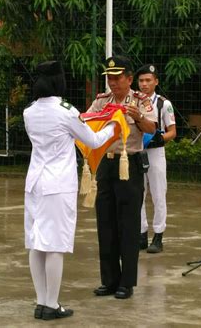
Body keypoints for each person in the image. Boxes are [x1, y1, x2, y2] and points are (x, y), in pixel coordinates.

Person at [23, 60, 118, 320]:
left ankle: (42, 301)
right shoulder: (66, 110)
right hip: (58, 184)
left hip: (34, 183)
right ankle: (52, 304)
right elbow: (94, 140)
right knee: (54, 244)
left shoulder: (28, 111)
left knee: (36, 242)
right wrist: (113, 124)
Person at [87, 56, 157, 299]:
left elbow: (152, 129)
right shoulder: (101, 101)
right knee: (105, 222)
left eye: (117, 78)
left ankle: (126, 283)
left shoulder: (141, 101)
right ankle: (109, 279)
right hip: (106, 165)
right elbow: (87, 124)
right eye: (109, 78)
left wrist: (137, 116)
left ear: (129, 79)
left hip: (130, 164)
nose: (113, 83)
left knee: (128, 224)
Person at [135, 64, 176, 253]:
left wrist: (159, 138)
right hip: (137, 151)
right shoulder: (133, 101)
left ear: (156, 82)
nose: (144, 84)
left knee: (159, 194)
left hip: (156, 152)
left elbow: (173, 132)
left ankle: (158, 235)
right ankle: (141, 233)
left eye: (148, 80)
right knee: (138, 194)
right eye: (141, 80)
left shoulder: (163, 104)